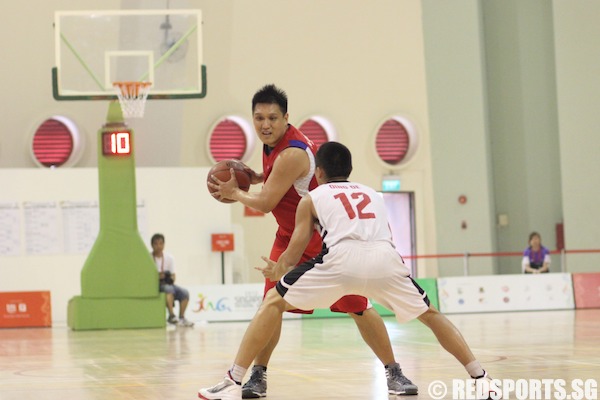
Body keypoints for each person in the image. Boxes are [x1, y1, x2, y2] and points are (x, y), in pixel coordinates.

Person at [199, 142, 498, 400]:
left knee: (273, 303)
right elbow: (386, 234)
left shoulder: (312, 198)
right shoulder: (374, 195)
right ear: (349, 169)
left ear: (318, 173)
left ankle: (233, 380)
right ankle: (480, 378)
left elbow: (294, 249)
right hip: (385, 260)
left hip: (340, 262)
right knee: (430, 314)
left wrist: (278, 270)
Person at [207, 84, 416, 397]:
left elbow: (265, 204)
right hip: (287, 234)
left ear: (286, 118)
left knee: (357, 307)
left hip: (317, 236)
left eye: (272, 118)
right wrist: (258, 176)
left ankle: (393, 371)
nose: (265, 124)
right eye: (259, 118)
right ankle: (258, 375)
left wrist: (234, 192)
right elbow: (281, 179)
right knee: (271, 305)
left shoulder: (292, 152)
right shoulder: (273, 147)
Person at [150, 233, 194, 327]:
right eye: (156, 244)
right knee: (168, 290)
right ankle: (171, 315)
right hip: (155, 284)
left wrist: (168, 277)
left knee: (184, 292)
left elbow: (173, 276)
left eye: (161, 243)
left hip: (168, 283)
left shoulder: (169, 258)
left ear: (164, 244)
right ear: (152, 245)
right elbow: (147, 276)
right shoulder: (149, 258)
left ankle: (182, 317)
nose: (159, 246)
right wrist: (158, 276)